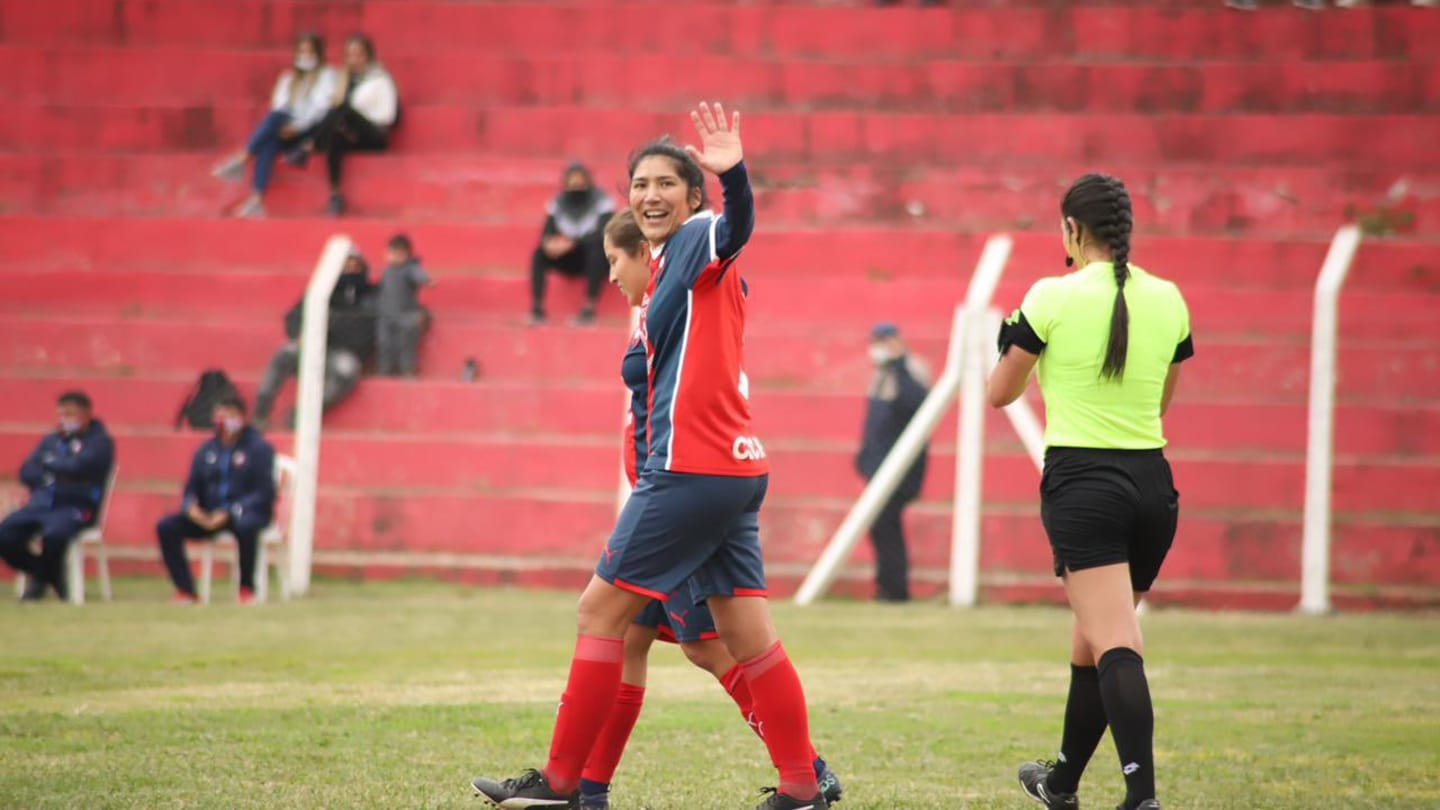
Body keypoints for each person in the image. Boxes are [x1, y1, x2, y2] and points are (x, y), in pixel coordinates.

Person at [472, 104, 832, 810]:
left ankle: (563, 785)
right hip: (729, 471)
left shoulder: (700, 239)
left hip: (692, 472)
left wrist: (736, 177)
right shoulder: (665, 269)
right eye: (639, 184)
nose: (650, 195)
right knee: (744, 639)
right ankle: (802, 785)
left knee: (598, 614)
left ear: (693, 197)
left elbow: (736, 230)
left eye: (667, 183)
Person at [566, 209, 843, 810]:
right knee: (642, 638)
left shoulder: (696, 293)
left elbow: (729, 238)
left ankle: (806, 770)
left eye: (616, 260)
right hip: (664, 493)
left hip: (681, 496)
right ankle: (589, 789)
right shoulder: (659, 314)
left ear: (647, 251)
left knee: (709, 645)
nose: (611, 275)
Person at [988, 173, 1193, 810]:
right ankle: (1063, 783)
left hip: (1085, 481)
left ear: (1072, 230)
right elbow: (1162, 399)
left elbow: (1000, 392)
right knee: (1094, 639)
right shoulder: (1170, 297)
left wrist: (1010, 339)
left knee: (1116, 642)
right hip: (1152, 483)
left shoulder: (1052, 294)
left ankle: (1142, 797)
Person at [155, 394, 277, 605]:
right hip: (209, 515)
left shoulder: (258, 449)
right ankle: (186, 590)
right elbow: (192, 486)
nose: (225, 421)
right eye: (221, 416)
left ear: (242, 417)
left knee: (246, 527)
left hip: (244, 513)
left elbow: (264, 492)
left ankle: (246, 589)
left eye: (231, 415)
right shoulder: (206, 450)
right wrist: (191, 507)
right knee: (166, 526)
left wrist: (231, 511)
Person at [0, 392, 114, 601]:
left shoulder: (100, 443)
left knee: (54, 536)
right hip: (41, 504)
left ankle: (38, 585)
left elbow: (79, 467)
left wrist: (50, 465)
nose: (65, 420)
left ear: (86, 414)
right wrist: (54, 470)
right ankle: (49, 575)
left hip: (76, 506)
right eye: (62, 414)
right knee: (6, 534)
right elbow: (27, 472)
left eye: (71, 414)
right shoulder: (51, 440)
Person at [212, 32, 337, 218]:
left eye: (310, 51)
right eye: (301, 51)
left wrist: (297, 126)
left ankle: (243, 158)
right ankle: (256, 199)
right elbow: (279, 105)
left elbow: (320, 108)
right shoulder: (288, 78)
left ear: (318, 53)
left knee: (275, 122)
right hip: (283, 126)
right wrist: (284, 127)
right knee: (269, 139)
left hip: (311, 130)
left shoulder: (327, 76)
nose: (305, 55)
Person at [254, 249, 376, 429]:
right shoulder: (319, 291)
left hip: (340, 353)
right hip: (311, 346)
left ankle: (301, 415)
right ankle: (260, 412)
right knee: (286, 352)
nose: (350, 270)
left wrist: (334, 327)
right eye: (345, 266)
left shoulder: (370, 296)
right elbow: (294, 317)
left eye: (354, 266)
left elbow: (366, 335)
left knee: (347, 369)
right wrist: (301, 334)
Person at [855, 322, 930, 603]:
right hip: (877, 467)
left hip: (899, 469)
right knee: (881, 526)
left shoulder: (912, 369)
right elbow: (875, 425)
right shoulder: (880, 375)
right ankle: (887, 587)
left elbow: (915, 402)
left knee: (887, 526)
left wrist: (899, 362)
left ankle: (895, 590)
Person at [305, 33, 398, 216]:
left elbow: (388, 115)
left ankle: (312, 144)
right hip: (353, 133)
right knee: (336, 137)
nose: (353, 60)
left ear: (368, 56)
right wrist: (343, 83)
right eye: (349, 55)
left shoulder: (379, 79)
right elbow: (332, 106)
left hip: (376, 133)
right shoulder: (346, 81)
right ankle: (335, 194)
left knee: (344, 110)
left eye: (358, 54)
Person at [530, 162, 615, 326]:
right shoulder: (557, 203)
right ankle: (537, 308)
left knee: (596, 250)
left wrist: (573, 243)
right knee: (539, 254)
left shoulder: (602, 201)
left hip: (597, 259)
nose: (576, 184)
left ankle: (589, 308)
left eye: (580, 180)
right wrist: (549, 244)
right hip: (569, 258)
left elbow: (604, 234)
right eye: (572, 180)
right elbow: (547, 232)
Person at [375, 233, 432, 377]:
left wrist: (426, 280)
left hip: (407, 315)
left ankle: (408, 369)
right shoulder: (387, 270)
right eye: (392, 253)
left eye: (400, 254)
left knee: (407, 343)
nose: (395, 257)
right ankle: (384, 369)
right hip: (386, 315)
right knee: (384, 342)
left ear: (407, 255)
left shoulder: (410, 269)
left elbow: (420, 275)